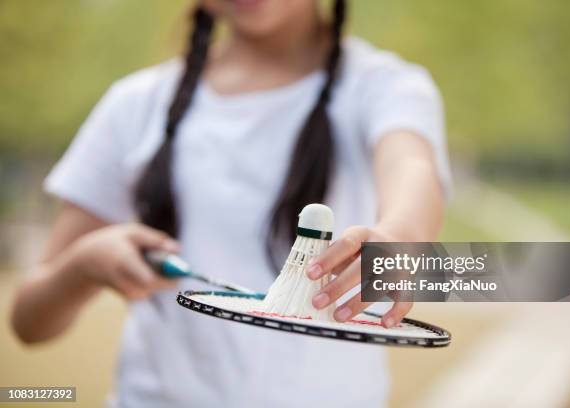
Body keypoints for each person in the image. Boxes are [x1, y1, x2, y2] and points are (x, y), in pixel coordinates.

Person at [11, 0, 450, 406]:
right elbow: (28, 321)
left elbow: (412, 167)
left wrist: (399, 238)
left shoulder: (384, 87)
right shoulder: (136, 104)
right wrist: (83, 267)